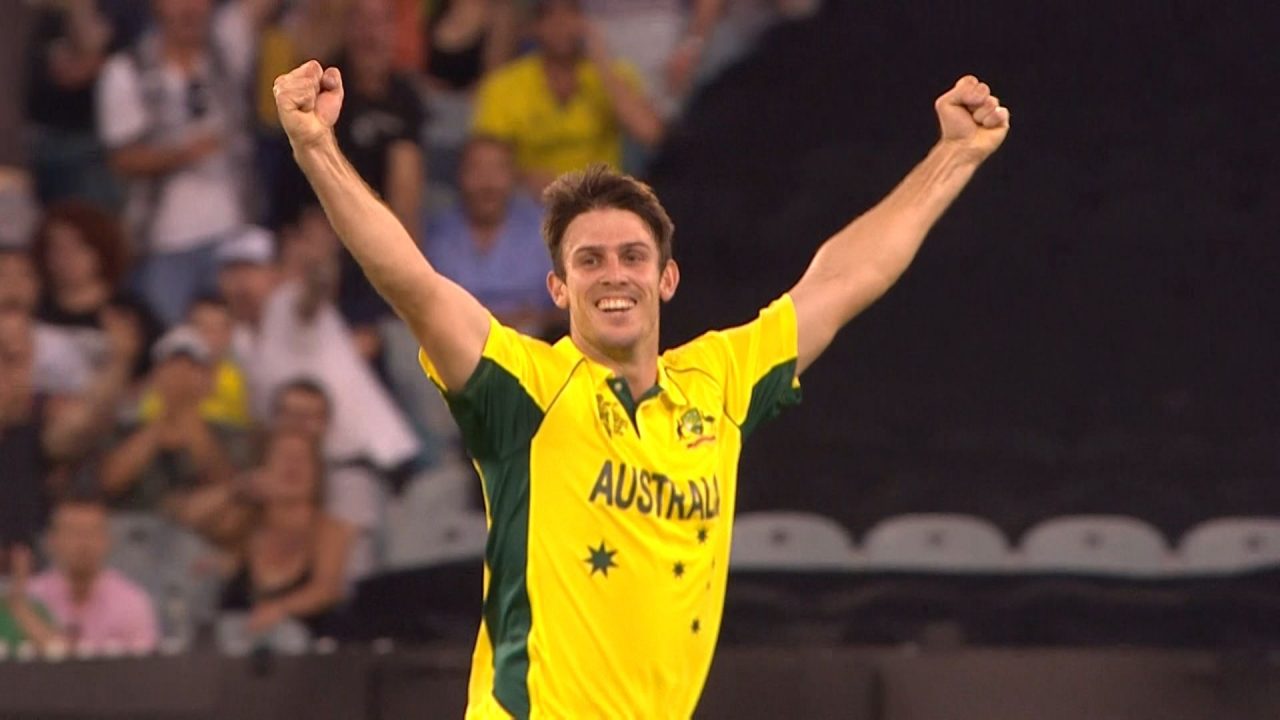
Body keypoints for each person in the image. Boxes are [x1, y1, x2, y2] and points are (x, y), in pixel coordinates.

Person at [274, 57, 1008, 716]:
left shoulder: (718, 382)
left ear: (667, 277)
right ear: (559, 288)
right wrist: (316, 147)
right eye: (589, 261)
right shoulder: (524, 388)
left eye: (632, 255)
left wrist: (953, 156)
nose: (614, 274)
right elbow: (411, 282)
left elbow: (844, 280)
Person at [471, 0, 664, 195]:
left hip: (601, 198)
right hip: (531, 200)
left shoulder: (613, 77)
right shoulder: (503, 87)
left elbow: (651, 134)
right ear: (535, 26)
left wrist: (601, 59)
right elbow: (485, 162)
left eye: (570, 13)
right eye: (550, 15)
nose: (561, 23)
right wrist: (522, 177)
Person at [425, 135, 562, 338]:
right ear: (460, 176)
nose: (487, 182)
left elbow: (568, 306)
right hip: (456, 344)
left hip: (536, 345)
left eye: (498, 169)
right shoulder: (437, 233)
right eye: (476, 169)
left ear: (514, 176)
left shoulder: (545, 230)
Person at [9, 498, 160, 654]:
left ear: (108, 541)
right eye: (73, 533)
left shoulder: (132, 603)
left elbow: (144, 671)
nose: (83, 544)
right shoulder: (30, 597)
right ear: (51, 541)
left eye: (92, 533)